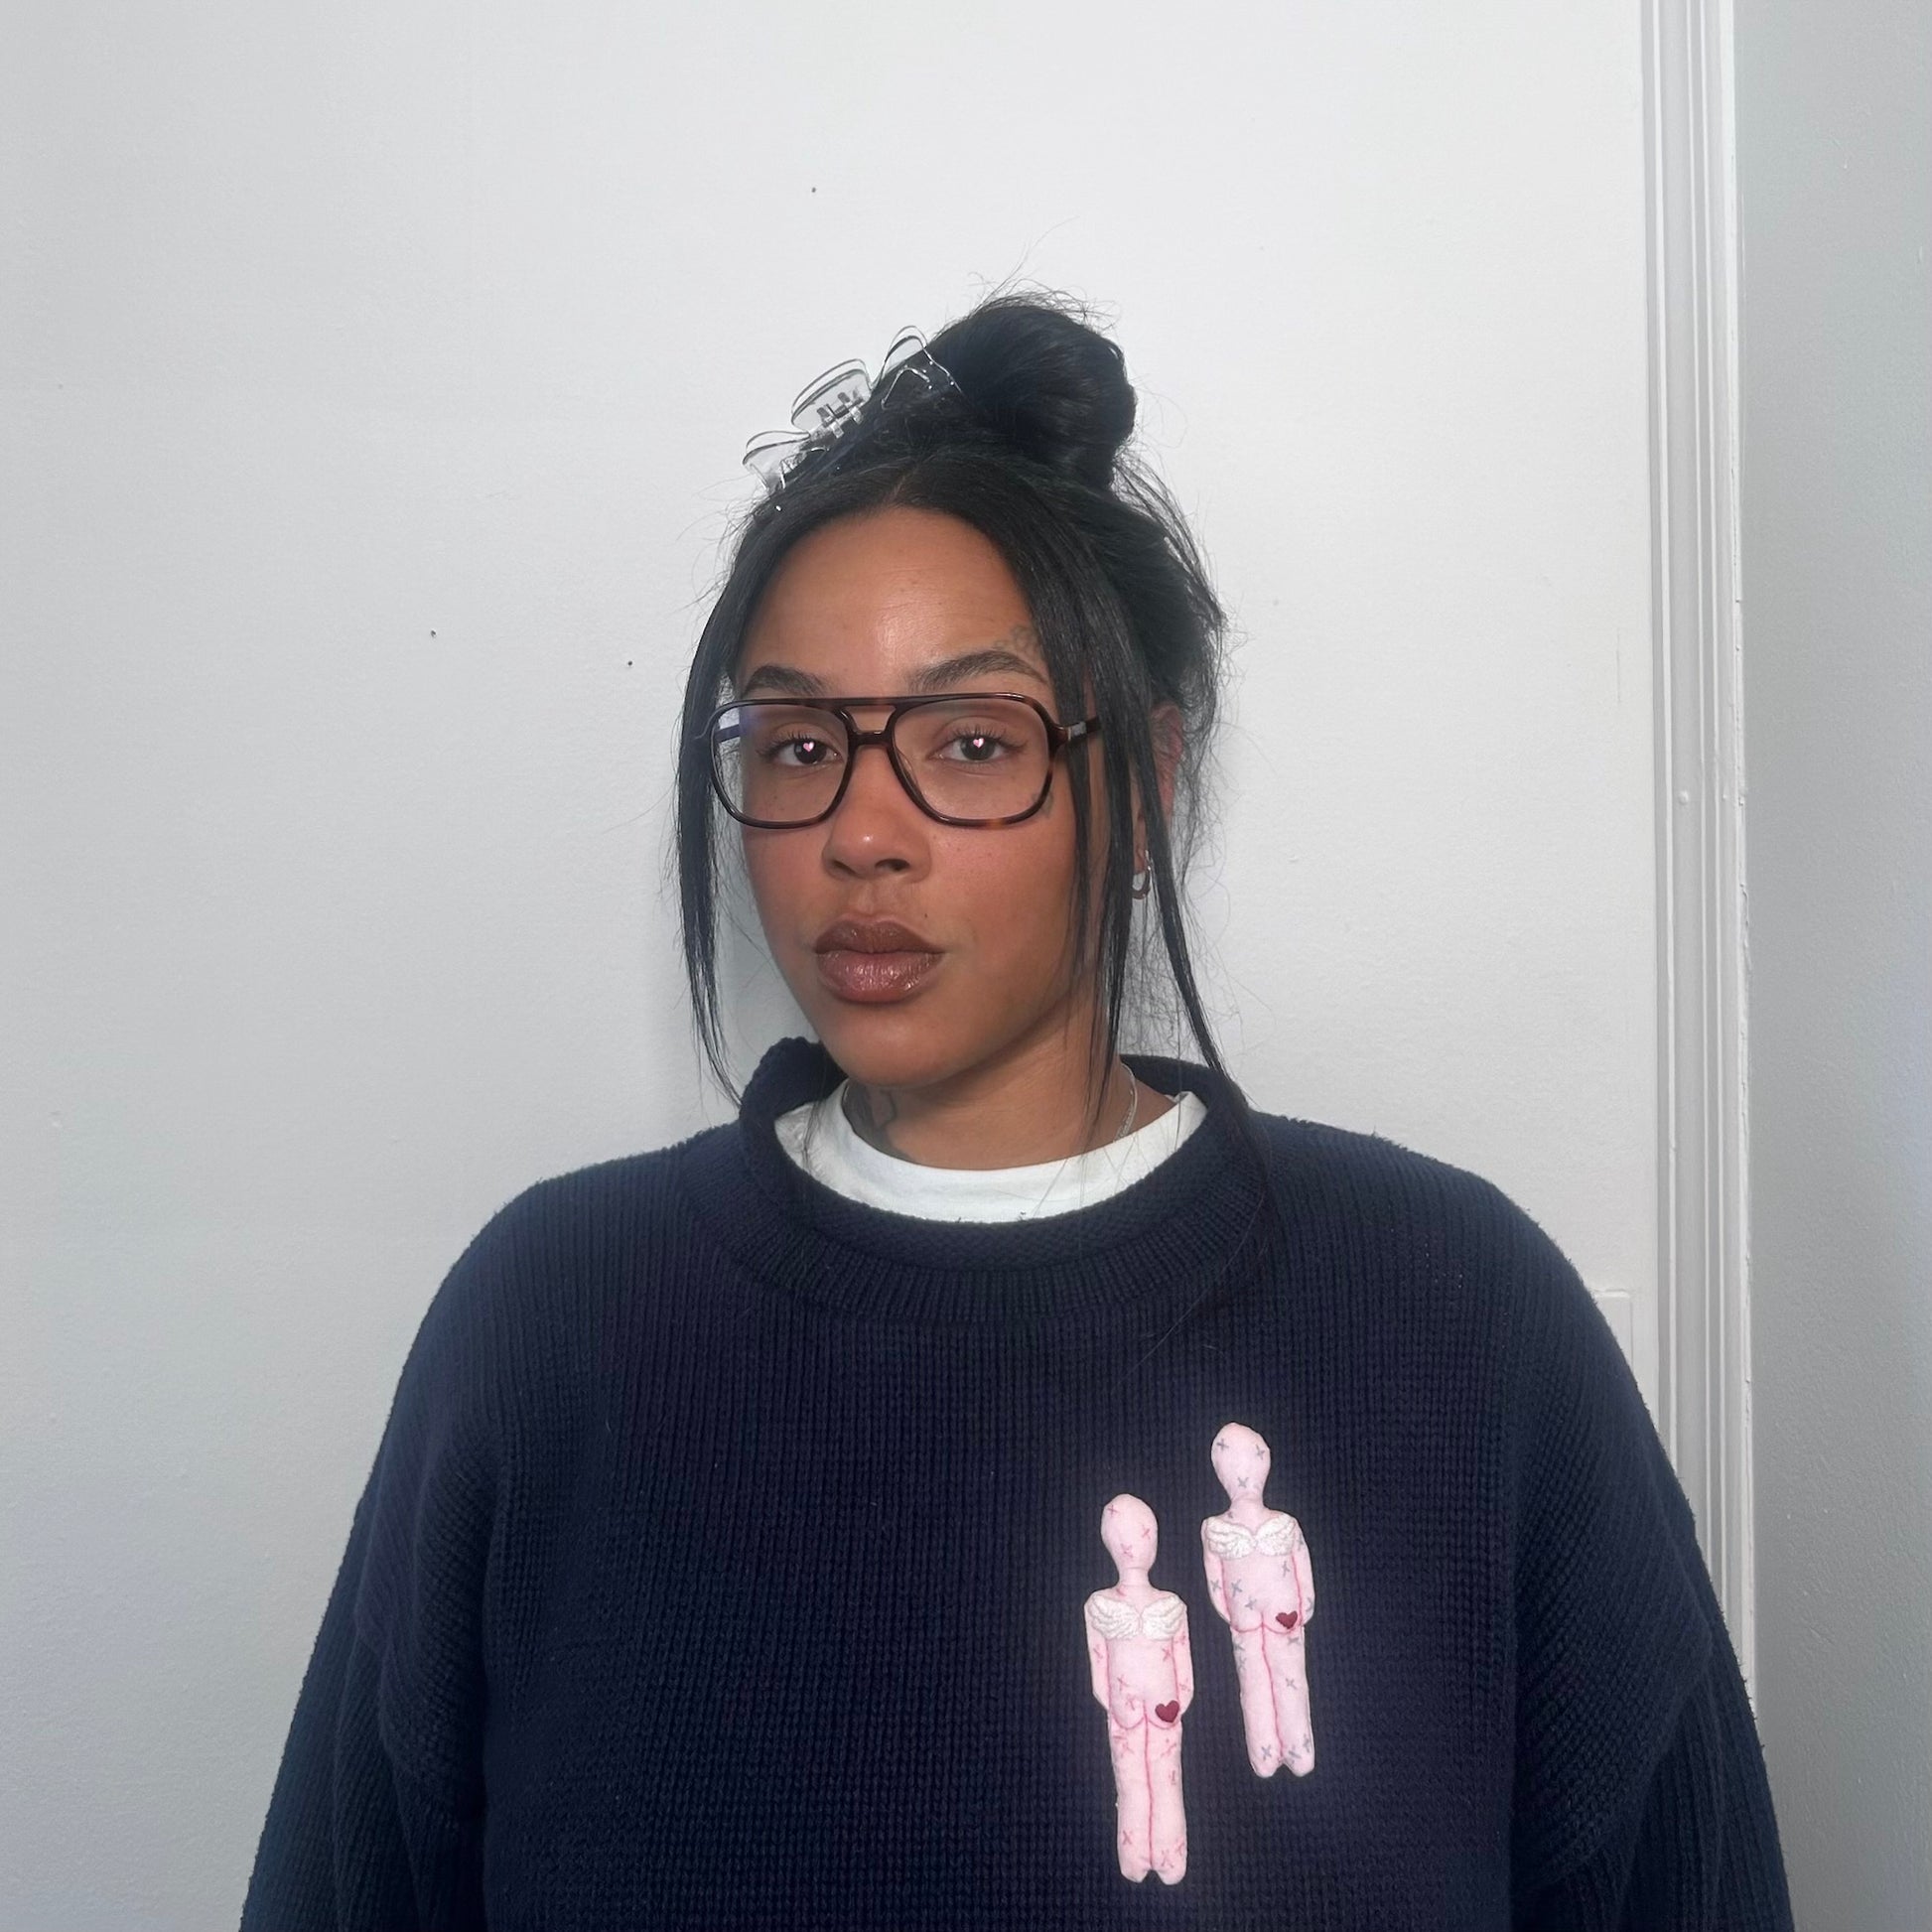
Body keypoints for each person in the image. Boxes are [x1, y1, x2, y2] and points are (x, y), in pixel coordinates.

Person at [240, 294, 1794, 1929]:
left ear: (1147, 781)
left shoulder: (1455, 1311)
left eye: (972, 741)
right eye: (795, 745)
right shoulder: (546, 1319)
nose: (861, 832)